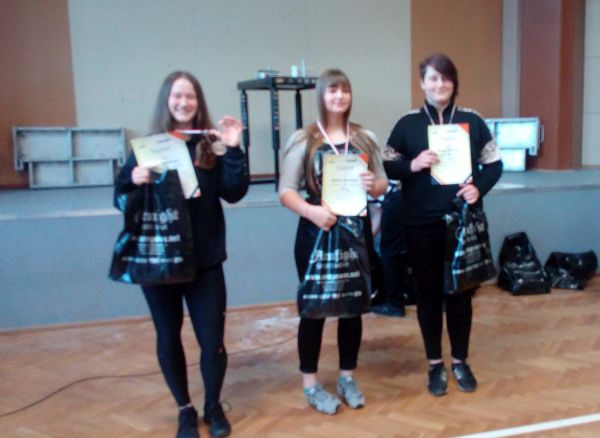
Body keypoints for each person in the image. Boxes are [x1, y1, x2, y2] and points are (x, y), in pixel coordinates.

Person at [114, 71, 249, 438]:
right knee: (167, 335)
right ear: (166, 101)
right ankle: (185, 410)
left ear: (198, 102)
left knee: (212, 341)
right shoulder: (146, 148)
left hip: (205, 262)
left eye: (190, 96)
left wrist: (234, 148)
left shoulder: (210, 145)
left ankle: (213, 406)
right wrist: (134, 182)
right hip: (160, 262)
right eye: (177, 96)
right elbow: (120, 198)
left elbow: (235, 192)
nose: (184, 102)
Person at [384, 54, 502, 396]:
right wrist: (413, 164)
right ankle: (435, 363)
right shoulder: (407, 123)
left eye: (446, 78)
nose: (440, 84)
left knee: (462, 294)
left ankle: (460, 360)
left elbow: (494, 164)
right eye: (433, 78)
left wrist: (478, 188)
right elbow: (388, 165)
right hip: (420, 223)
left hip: (462, 223)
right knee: (427, 294)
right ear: (422, 83)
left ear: (454, 82)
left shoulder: (472, 120)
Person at [279, 69, 388, 415]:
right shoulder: (303, 139)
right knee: (314, 310)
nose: (339, 96)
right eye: (332, 90)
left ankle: (347, 377)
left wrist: (373, 185)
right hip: (315, 234)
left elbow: (383, 184)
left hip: (355, 235)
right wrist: (311, 212)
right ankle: (311, 385)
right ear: (321, 96)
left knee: (352, 308)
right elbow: (285, 191)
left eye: (344, 90)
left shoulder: (365, 138)